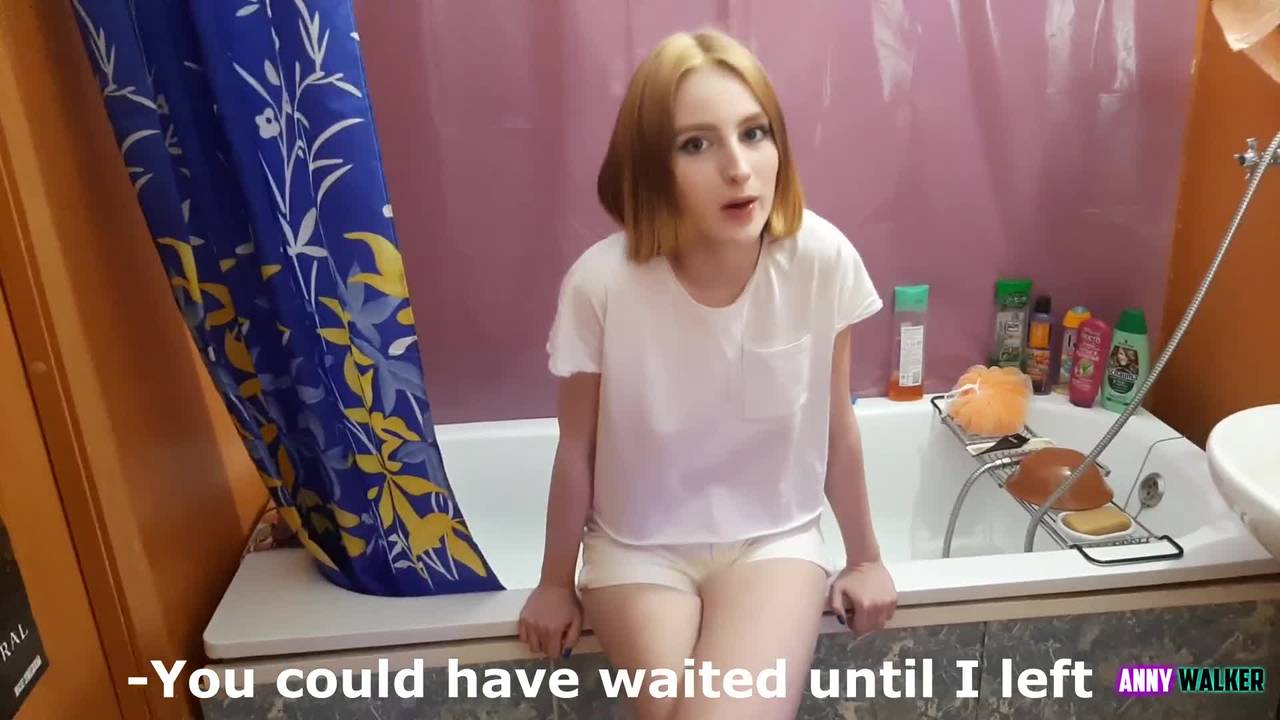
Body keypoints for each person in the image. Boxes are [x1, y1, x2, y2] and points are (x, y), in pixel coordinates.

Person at [518, 28, 897, 719]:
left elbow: (836, 422)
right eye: (696, 144)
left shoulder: (820, 260)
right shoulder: (602, 284)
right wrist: (553, 582)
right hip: (636, 548)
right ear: (651, 166)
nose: (738, 168)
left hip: (772, 538)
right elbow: (577, 447)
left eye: (754, 133)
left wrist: (865, 557)